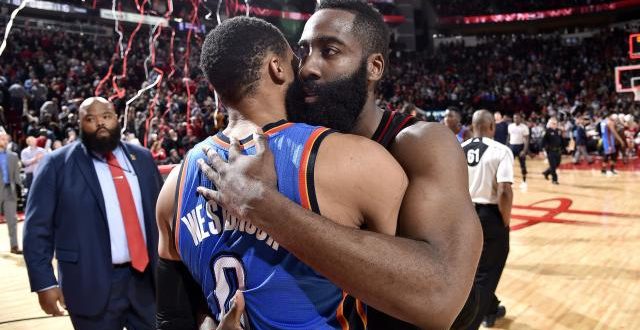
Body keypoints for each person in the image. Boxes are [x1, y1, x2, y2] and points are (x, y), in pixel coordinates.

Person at [200, 1, 482, 328]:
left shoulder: (419, 143)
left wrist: (264, 205)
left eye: (330, 51)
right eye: (303, 51)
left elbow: (441, 296)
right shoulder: (278, 142)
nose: (308, 67)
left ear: (374, 67)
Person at [155, 17, 407, 329]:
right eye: (295, 60)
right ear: (277, 67)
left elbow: (170, 317)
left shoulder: (174, 187)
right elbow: (403, 291)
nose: (304, 70)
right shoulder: (357, 160)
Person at [23, 97, 163, 330]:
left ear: (116, 119)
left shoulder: (143, 159)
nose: (100, 123)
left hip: (146, 282)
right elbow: (37, 229)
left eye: (106, 117)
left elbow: (162, 219)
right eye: (90, 119)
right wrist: (45, 283)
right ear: (80, 124)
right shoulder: (56, 165)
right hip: (89, 282)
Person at [462, 110, 513, 329]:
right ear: (492, 126)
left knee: (471, 269)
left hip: (462, 215)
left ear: (473, 126)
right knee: (486, 272)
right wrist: (505, 220)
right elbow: (504, 191)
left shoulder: (458, 149)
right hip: (489, 215)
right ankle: (470, 323)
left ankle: (491, 308)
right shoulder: (501, 150)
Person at [0, 132, 22, 254]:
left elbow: (17, 176)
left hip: (10, 190)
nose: (4, 141)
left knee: (12, 220)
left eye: (6, 139)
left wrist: (18, 191)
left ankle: (14, 246)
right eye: (2, 139)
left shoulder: (13, 156)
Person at [20, 136, 47, 202]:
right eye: (31, 141)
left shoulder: (41, 150)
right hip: (30, 173)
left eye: (34, 140)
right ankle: (28, 205)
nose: (34, 142)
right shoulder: (24, 151)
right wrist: (35, 159)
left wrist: (39, 159)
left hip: (40, 172)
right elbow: (25, 162)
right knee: (30, 190)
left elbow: (46, 160)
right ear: (28, 142)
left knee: (41, 189)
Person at [508, 112, 529, 188]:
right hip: (512, 146)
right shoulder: (510, 126)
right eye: (514, 118)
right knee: (509, 165)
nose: (515, 119)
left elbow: (526, 140)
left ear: (520, 119)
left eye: (517, 118)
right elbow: (509, 137)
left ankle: (524, 181)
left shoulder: (524, 127)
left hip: (520, 146)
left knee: (523, 165)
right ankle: (510, 181)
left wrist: (524, 150)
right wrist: (507, 147)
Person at [542, 117, 563, 185]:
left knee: (557, 164)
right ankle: (554, 180)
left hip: (558, 151)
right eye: (553, 123)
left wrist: (566, 147)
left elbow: (561, 140)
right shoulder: (546, 131)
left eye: (556, 124)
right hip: (550, 151)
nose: (555, 125)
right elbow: (542, 141)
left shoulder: (557, 131)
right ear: (550, 124)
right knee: (553, 166)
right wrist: (541, 150)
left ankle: (546, 172)